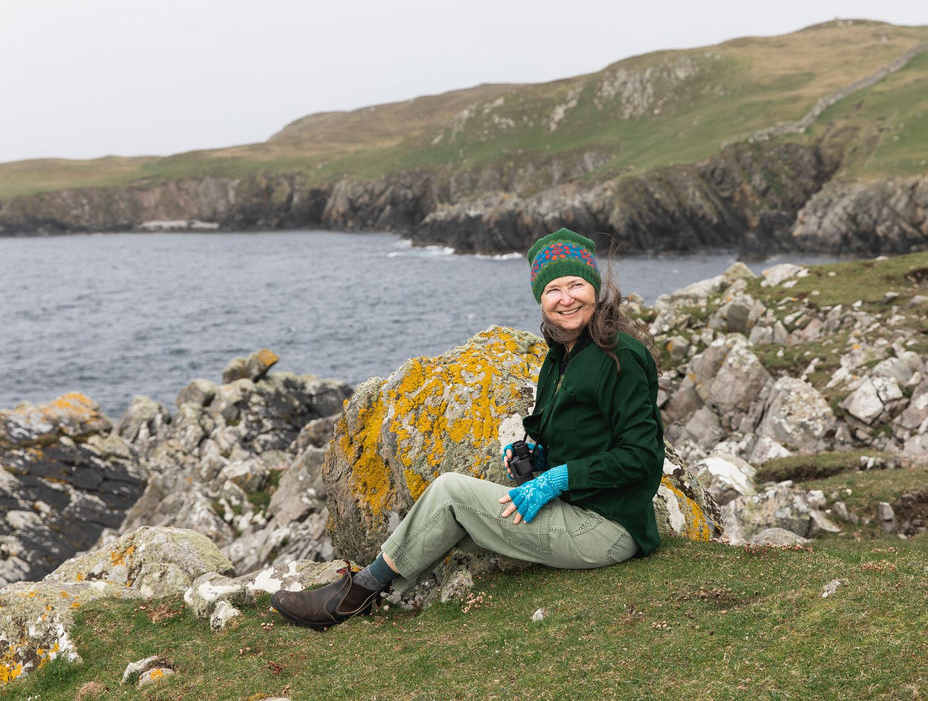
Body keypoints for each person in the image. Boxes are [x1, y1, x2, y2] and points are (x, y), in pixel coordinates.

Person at [270, 228, 666, 629]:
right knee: (457, 503)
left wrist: (557, 479)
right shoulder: (560, 355)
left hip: (609, 527)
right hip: (579, 507)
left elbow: (641, 456)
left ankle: (356, 595)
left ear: (594, 289)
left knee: (451, 492)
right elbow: (589, 434)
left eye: (576, 284)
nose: (566, 298)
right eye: (553, 289)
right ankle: (379, 583)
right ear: (540, 299)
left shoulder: (621, 357)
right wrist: (543, 459)